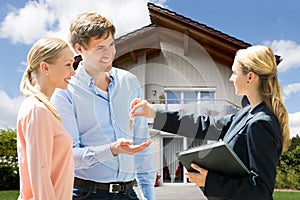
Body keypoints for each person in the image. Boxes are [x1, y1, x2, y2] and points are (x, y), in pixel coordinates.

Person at [130, 45, 290, 200]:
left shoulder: (261, 122)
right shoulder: (245, 115)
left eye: (234, 73)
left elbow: (261, 190)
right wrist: (154, 114)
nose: (231, 78)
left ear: (250, 77)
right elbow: (202, 125)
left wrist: (210, 182)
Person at [50, 13, 156, 200]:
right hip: (87, 194)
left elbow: (142, 144)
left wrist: (149, 196)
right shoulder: (65, 91)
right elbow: (69, 156)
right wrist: (112, 149)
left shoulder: (130, 82)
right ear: (80, 49)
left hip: (128, 193)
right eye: (100, 48)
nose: (109, 54)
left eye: (111, 45)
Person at [17, 37, 76, 199]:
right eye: (68, 65)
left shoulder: (42, 110)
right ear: (45, 67)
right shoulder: (37, 110)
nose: (73, 71)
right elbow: (40, 178)